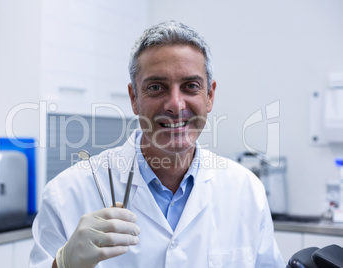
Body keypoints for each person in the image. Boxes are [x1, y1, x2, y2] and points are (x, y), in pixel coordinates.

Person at [30, 21, 285, 267]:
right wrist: (62, 266)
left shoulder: (247, 191)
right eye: (156, 87)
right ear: (134, 98)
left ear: (209, 96)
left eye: (191, 86)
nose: (175, 104)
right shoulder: (66, 193)